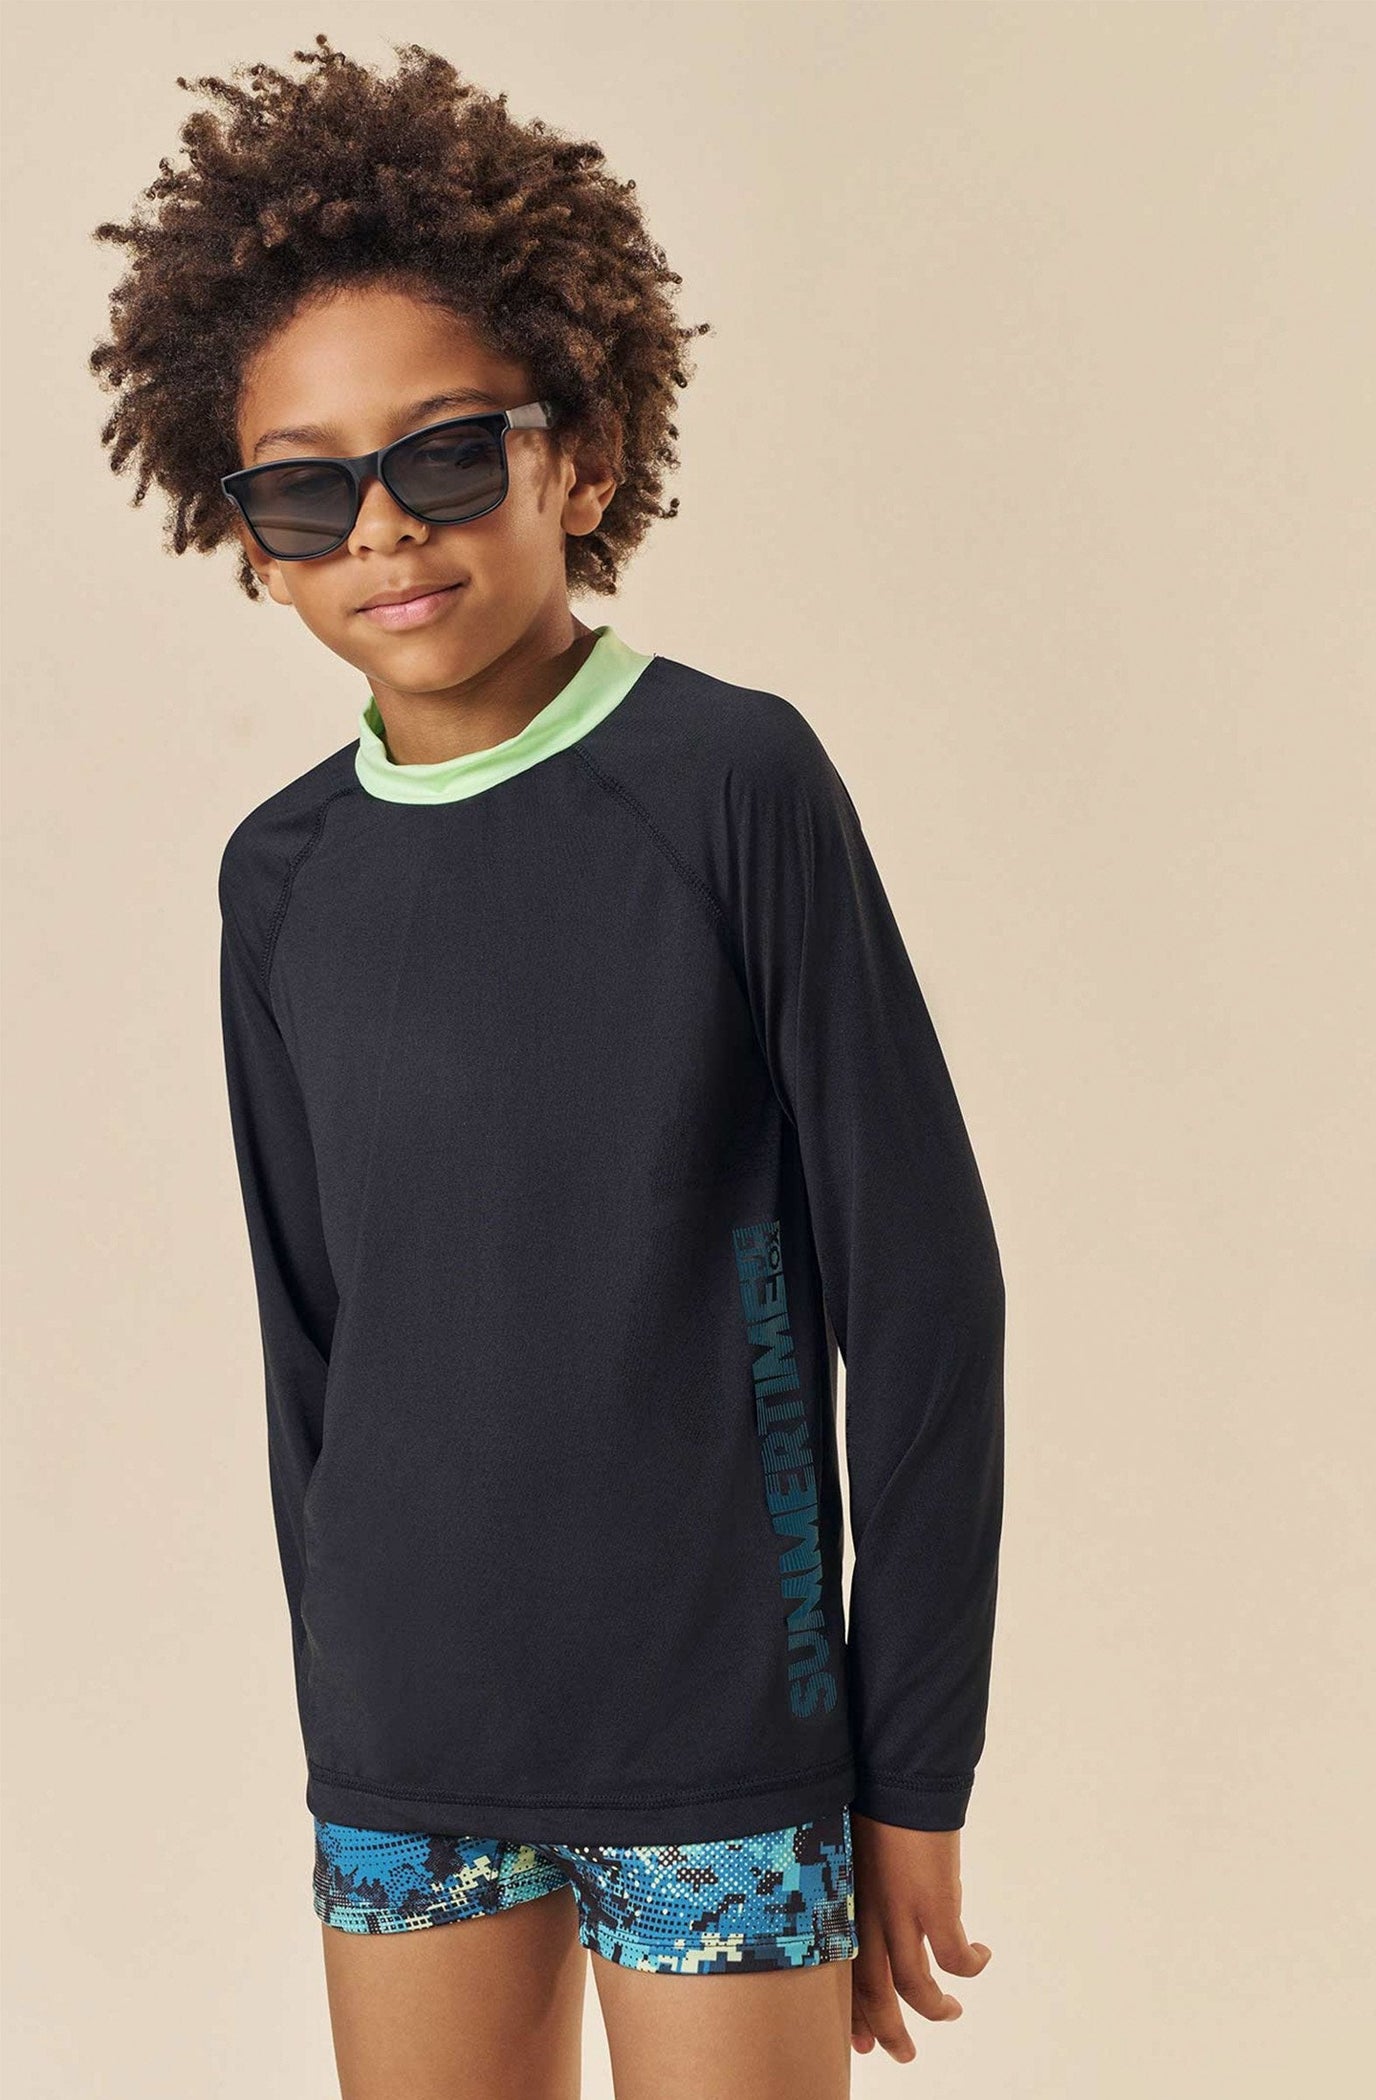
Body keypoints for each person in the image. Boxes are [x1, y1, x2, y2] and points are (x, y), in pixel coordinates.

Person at [89, 34, 1005, 2100]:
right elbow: (311, 1347)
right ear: (251, 540)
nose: (380, 532)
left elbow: (926, 1301)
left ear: (577, 459)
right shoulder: (280, 879)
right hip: (404, 1754)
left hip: (721, 1736)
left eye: (442, 457)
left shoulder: (730, 785)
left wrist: (909, 1765)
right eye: (304, 490)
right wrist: (344, 1726)